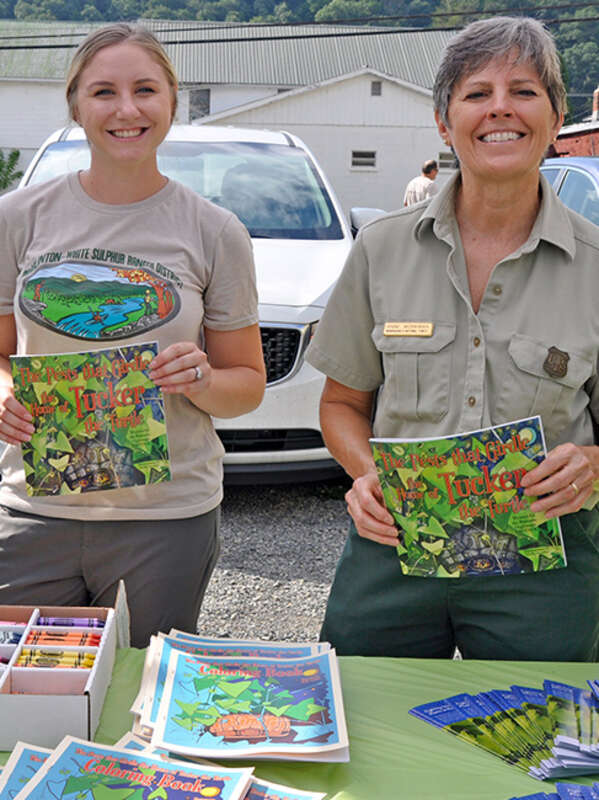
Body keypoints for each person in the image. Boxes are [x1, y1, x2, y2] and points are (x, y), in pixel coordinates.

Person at [306, 16, 599, 661]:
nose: (501, 108)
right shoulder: (382, 249)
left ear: (555, 120)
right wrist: (366, 475)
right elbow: (341, 405)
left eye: (524, 91)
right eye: (476, 93)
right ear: (444, 122)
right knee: (365, 724)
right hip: (396, 547)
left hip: (546, 564)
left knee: (540, 747)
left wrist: (592, 468)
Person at [0, 24, 266, 647]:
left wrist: (202, 380)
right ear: (76, 106)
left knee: (148, 698)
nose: (126, 109)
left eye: (145, 89)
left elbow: (247, 385)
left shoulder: (215, 231)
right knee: (20, 698)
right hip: (34, 508)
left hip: (166, 518)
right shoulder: (15, 218)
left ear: (172, 102)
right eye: (104, 92)